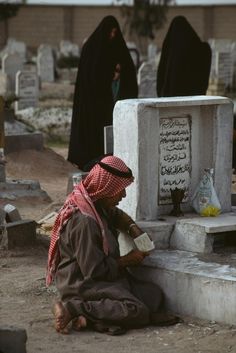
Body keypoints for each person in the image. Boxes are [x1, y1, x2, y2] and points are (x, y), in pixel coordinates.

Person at [46, 155, 179, 335]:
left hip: (104, 279)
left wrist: (133, 229)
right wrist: (127, 260)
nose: (123, 195)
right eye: (120, 190)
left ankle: (95, 320)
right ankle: (72, 307)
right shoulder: (85, 222)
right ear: (106, 188)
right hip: (82, 283)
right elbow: (94, 272)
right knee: (136, 310)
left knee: (154, 295)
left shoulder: (97, 204)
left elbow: (116, 215)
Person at [68, 16, 138, 170]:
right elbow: (92, 77)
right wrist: (110, 75)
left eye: (115, 32)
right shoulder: (91, 49)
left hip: (112, 101)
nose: (113, 36)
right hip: (94, 104)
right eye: (110, 32)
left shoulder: (117, 47)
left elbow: (129, 71)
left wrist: (121, 72)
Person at [156, 16, 212, 97]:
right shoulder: (201, 51)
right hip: (195, 101)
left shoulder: (170, 52)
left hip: (171, 101)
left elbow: (162, 77)